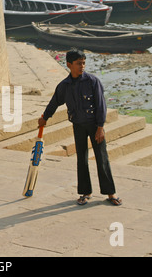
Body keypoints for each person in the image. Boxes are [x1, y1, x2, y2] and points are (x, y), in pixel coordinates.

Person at [38, 49, 122, 206]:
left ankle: (110, 193)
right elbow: (54, 102)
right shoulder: (65, 85)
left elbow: (101, 106)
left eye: (83, 63)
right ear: (69, 65)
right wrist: (44, 117)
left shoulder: (92, 81)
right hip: (78, 126)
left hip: (94, 126)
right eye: (78, 63)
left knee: (102, 158)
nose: (82, 66)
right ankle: (85, 192)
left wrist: (100, 127)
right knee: (81, 159)